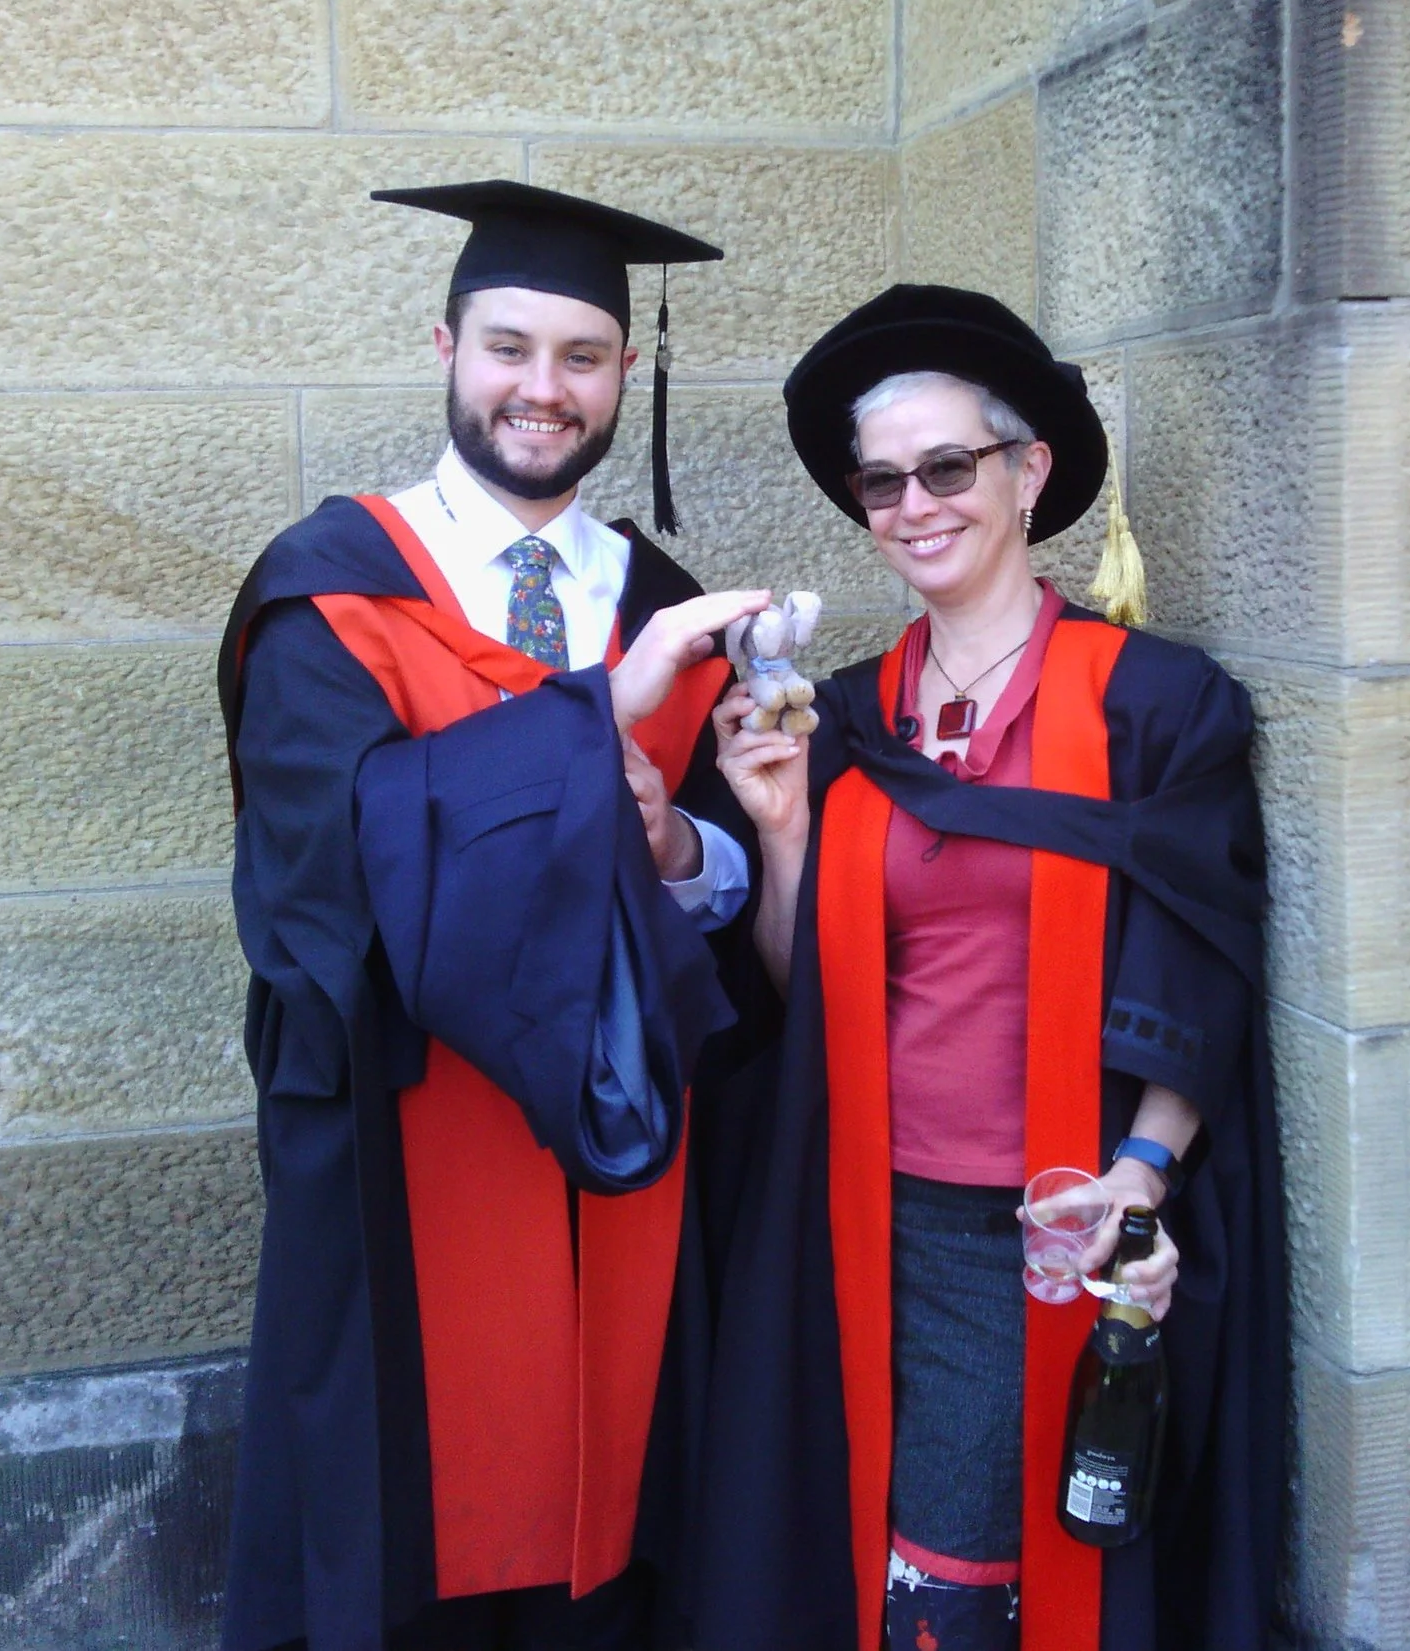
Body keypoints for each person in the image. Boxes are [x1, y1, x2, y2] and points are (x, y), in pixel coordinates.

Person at [216, 180, 772, 1651]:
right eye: (509, 348)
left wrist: (680, 851)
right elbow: (327, 879)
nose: (544, 388)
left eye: (582, 357)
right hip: (407, 1143)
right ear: (446, 347)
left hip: (620, 1144)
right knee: (417, 1533)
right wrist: (596, 725)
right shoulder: (329, 591)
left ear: (626, 375)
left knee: (615, 1526)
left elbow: (728, 882)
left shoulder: (659, 602)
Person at [689, 285, 1287, 1651]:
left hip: (1050, 1213)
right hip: (860, 1203)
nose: (914, 505)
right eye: (882, 480)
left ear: (1029, 472)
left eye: (949, 466)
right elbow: (797, 989)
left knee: (978, 1558)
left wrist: (1141, 1175)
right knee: (885, 1541)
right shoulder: (846, 717)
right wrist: (780, 835)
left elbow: (1201, 958)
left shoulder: (1150, 702)